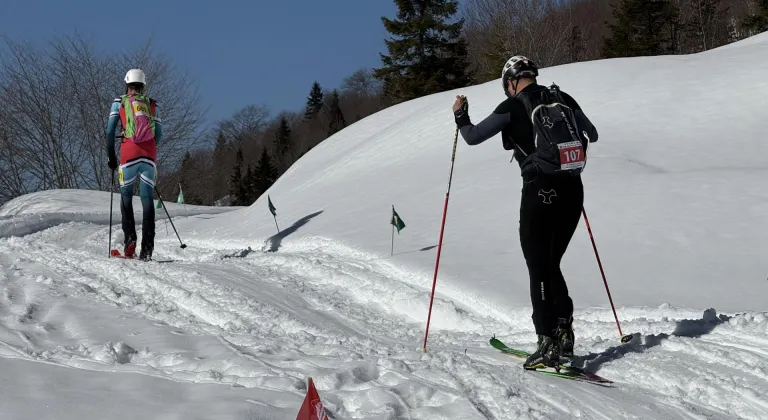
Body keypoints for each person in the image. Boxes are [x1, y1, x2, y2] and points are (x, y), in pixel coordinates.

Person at [451, 55, 598, 370]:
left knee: (538, 266)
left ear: (510, 82)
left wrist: (460, 116)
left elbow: (473, 137)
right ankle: (564, 333)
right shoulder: (562, 98)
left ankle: (547, 341)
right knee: (551, 263)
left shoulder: (514, 105)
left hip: (540, 190)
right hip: (573, 190)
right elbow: (593, 134)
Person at [106, 68, 163, 261]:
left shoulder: (119, 102)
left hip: (128, 153)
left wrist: (111, 157)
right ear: (143, 86)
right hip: (149, 155)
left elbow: (109, 132)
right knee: (147, 201)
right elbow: (159, 134)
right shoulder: (153, 104)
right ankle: (147, 249)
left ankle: (130, 240)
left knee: (126, 199)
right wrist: (149, 149)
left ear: (127, 85)